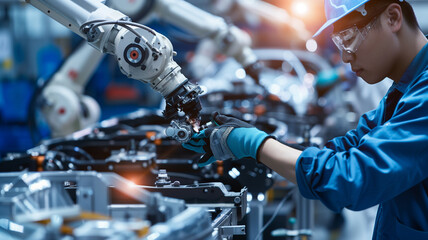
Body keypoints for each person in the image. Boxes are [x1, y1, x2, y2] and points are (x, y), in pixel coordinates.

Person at [183, 0, 428, 239]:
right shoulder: (403, 91)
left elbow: (351, 177)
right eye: (338, 43)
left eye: (349, 39)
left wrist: (255, 145)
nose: (344, 58)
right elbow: (347, 147)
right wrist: (266, 144)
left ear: (393, 17)